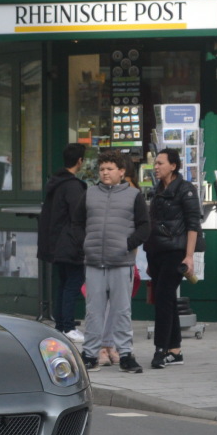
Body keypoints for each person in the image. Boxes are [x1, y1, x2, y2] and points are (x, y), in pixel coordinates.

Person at [81, 150, 150, 373]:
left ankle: (126, 354)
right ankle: (90, 354)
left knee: (121, 310)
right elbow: (75, 222)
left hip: (121, 262)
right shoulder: (90, 193)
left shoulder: (133, 196)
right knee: (93, 310)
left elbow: (144, 227)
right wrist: (84, 243)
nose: (105, 173)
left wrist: (127, 245)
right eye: (101, 169)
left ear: (122, 171)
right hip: (94, 261)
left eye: (110, 169)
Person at [145, 148, 201, 369]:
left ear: (173, 166)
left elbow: (193, 225)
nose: (156, 167)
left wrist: (189, 256)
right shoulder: (158, 189)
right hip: (156, 251)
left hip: (175, 252)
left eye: (160, 163)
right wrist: (149, 257)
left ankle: (161, 349)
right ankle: (175, 350)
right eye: (155, 163)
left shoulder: (185, 190)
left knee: (164, 298)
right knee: (164, 299)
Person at [37, 142, 88, 341]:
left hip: (56, 243)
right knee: (72, 283)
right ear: (80, 161)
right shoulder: (73, 186)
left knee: (63, 283)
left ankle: (60, 324)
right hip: (70, 243)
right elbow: (79, 215)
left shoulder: (56, 183)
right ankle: (67, 326)